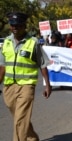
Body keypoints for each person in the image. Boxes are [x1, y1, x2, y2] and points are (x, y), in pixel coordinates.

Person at [0, 12, 51, 141]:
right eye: (12, 25)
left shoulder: (33, 43)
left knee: (20, 119)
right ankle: (32, 138)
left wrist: (47, 85)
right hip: (9, 87)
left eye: (18, 25)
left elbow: (43, 64)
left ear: (24, 25)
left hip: (27, 86)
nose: (15, 27)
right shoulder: (6, 42)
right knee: (20, 118)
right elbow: (2, 66)